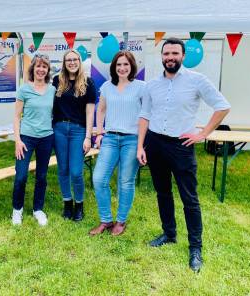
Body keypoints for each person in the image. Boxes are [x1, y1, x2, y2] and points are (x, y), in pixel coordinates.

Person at [137, 37, 230, 272]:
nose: (170, 57)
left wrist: (204, 134)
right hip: (155, 143)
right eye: (166, 54)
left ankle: (195, 248)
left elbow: (222, 106)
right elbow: (145, 116)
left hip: (181, 146)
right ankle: (169, 233)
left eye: (174, 54)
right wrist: (141, 146)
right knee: (163, 192)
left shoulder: (197, 80)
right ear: (162, 57)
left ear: (183, 56)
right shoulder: (152, 85)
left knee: (189, 198)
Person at [89, 50, 145, 236]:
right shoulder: (106, 86)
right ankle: (106, 220)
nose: (122, 68)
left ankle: (121, 221)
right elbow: (101, 110)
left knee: (125, 181)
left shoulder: (141, 87)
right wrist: (99, 132)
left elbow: (147, 116)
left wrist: (142, 144)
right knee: (99, 178)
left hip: (132, 139)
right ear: (114, 67)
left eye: (126, 64)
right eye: (119, 64)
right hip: (110, 138)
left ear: (132, 66)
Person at [12, 55, 56, 226]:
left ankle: (38, 209)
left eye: (44, 66)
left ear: (48, 70)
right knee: (21, 176)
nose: (41, 69)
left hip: (46, 138)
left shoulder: (52, 90)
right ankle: (17, 210)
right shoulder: (24, 89)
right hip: (26, 139)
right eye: (38, 66)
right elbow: (16, 117)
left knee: (42, 176)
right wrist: (17, 140)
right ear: (33, 68)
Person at [53, 49, 96, 222]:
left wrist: (88, 137)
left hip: (79, 130)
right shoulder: (57, 81)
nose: (72, 62)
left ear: (80, 61)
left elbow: (89, 112)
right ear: (64, 63)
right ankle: (67, 203)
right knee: (63, 169)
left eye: (75, 59)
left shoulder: (88, 82)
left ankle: (79, 205)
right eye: (68, 60)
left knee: (76, 172)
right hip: (60, 129)